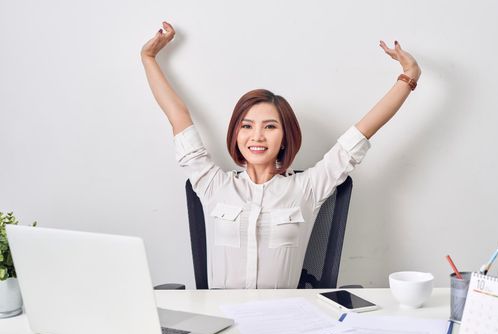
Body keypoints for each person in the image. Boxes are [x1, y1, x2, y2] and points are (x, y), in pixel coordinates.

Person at [141, 21, 421, 289]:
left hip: (285, 318)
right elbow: (178, 117)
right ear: (236, 134)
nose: (257, 136)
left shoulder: (307, 188)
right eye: (247, 126)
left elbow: (361, 133)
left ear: (285, 136)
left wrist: (409, 76)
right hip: (225, 319)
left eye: (270, 127)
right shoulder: (214, 185)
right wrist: (149, 57)